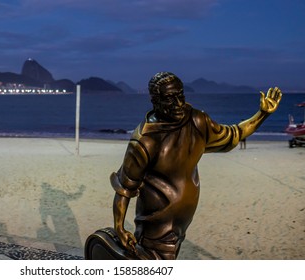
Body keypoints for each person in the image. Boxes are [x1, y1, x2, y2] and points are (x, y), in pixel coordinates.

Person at [111, 72, 282, 260]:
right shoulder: (145, 141)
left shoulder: (197, 121)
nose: (178, 104)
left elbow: (235, 133)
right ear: (155, 101)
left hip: (181, 226)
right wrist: (119, 228)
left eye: (180, 95)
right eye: (169, 98)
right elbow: (124, 189)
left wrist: (263, 114)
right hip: (156, 229)